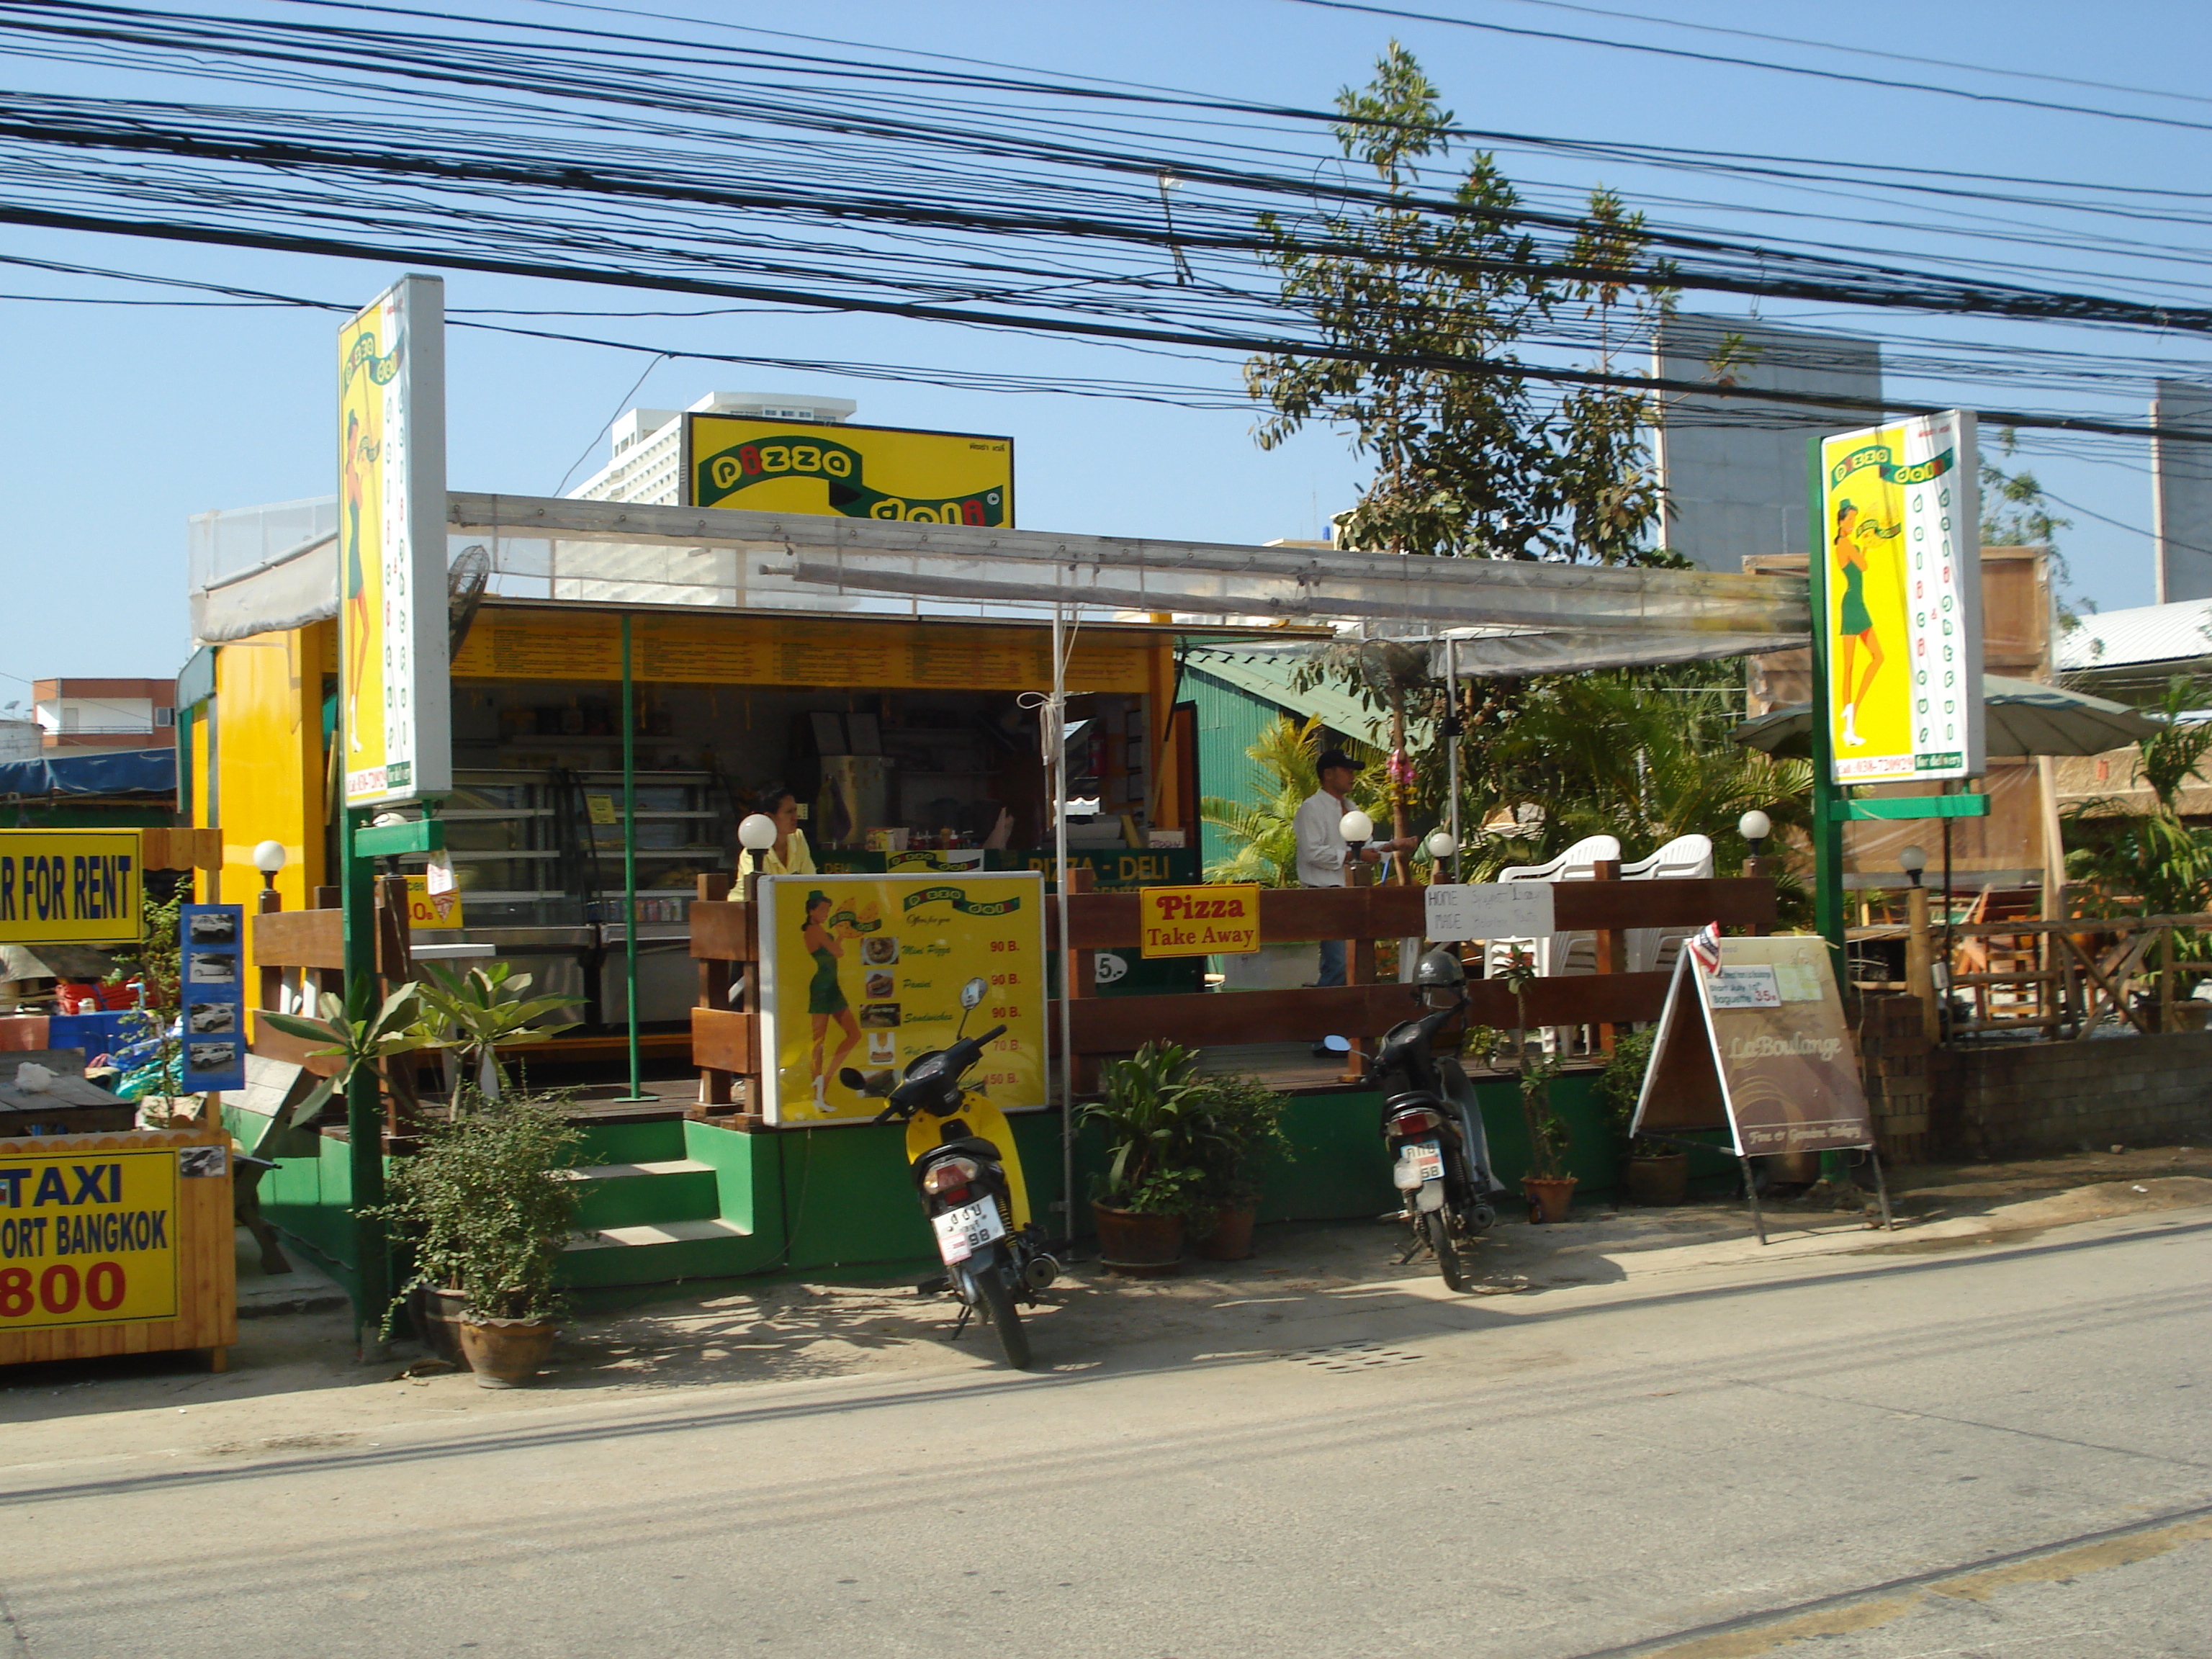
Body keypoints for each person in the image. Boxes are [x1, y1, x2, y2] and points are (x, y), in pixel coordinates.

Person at [1296, 749, 1413, 1053]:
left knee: (1352, 964)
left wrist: (1391, 847)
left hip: (1351, 894)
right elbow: (1314, 852)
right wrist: (1355, 855)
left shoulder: (1351, 807)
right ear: (1329, 774)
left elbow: (1361, 846)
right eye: (1346, 770)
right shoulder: (1311, 808)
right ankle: (1321, 1033)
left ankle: (1337, 1034)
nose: (1352, 775)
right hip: (1326, 894)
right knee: (1337, 963)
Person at [1832, 497, 1898, 750]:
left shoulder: (1850, 544)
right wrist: (1865, 546)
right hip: (1851, 604)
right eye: (1851, 520)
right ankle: (1848, 724)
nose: (1853, 523)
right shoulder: (1845, 544)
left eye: (1854, 520)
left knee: (1877, 657)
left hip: (1858, 604)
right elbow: (1864, 565)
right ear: (1842, 521)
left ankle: (1853, 710)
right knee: (1848, 665)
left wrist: (1867, 544)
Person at [799, 889, 861, 1112]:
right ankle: (818, 1092)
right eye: (822, 910)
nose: (826, 913)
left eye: (827, 909)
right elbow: (837, 952)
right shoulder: (814, 930)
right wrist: (843, 935)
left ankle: (824, 1081)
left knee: (853, 1034)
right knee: (819, 1041)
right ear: (811, 911)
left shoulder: (820, 930)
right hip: (822, 987)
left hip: (832, 986)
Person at [739, 783, 817, 876]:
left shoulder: (798, 837)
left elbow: (810, 879)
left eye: (795, 810)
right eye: (789, 812)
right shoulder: (752, 853)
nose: (795, 817)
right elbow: (757, 888)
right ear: (769, 817)